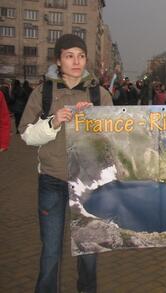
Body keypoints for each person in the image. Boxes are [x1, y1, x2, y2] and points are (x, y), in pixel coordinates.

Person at [18, 34, 113, 293]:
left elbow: (111, 138)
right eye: (69, 56)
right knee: (51, 251)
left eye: (81, 56)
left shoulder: (100, 93)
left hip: (88, 184)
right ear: (58, 61)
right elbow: (26, 134)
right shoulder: (43, 92)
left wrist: (92, 119)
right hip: (52, 180)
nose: (76, 61)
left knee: (89, 252)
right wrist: (53, 121)